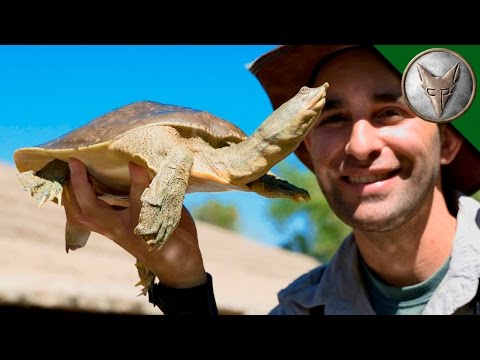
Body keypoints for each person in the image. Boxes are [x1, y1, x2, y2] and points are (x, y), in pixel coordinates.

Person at [62, 45, 480, 315]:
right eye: (332, 118)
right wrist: (184, 281)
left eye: (390, 111)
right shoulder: (299, 308)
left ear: (447, 142)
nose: (359, 144)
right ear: (308, 150)